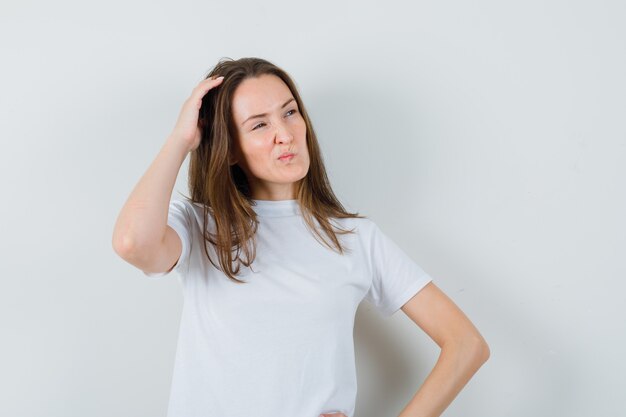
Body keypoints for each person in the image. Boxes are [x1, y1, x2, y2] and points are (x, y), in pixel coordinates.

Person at [112, 57, 490, 417]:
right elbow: (132, 243)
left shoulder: (356, 238)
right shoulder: (199, 226)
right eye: (259, 125)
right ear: (230, 149)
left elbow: (466, 344)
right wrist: (181, 139)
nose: (285, 134)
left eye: (289, 112)